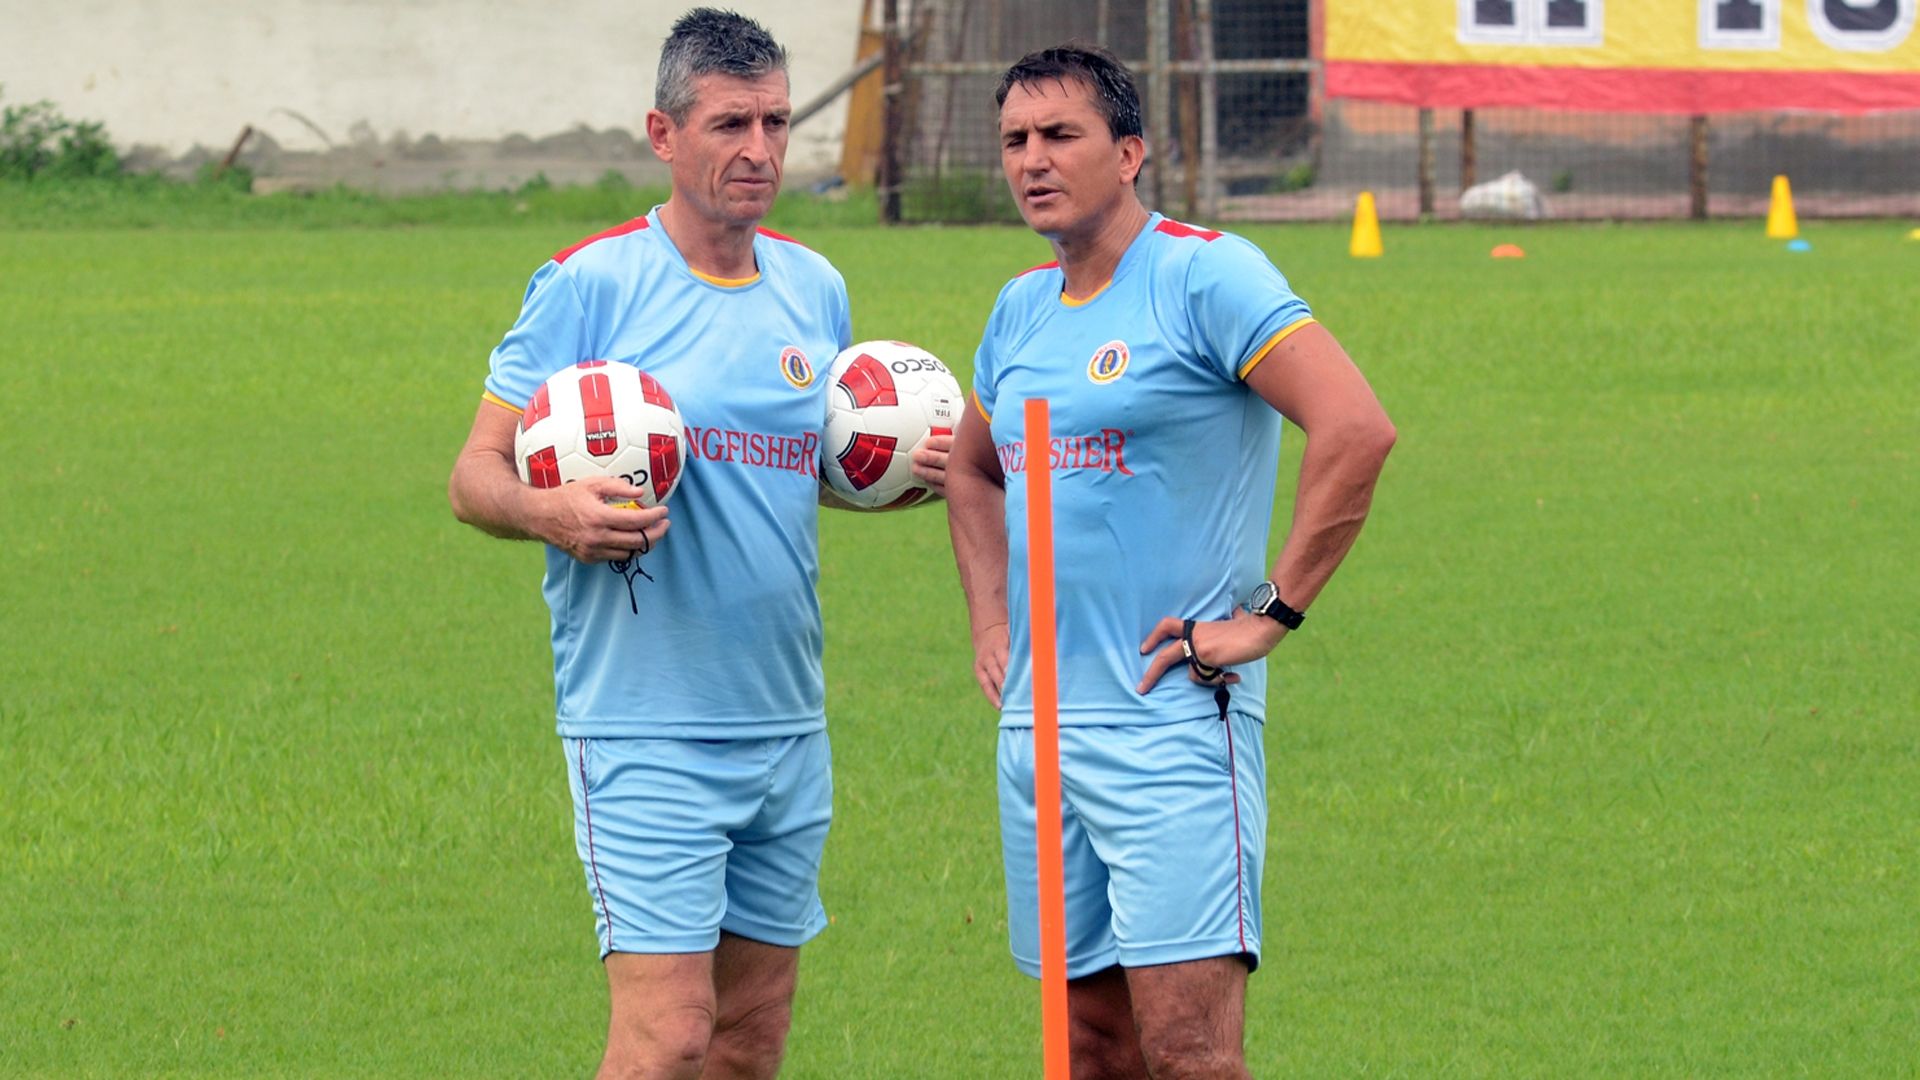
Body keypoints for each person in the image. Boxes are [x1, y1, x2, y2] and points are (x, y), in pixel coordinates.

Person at [447, 10, 945, 1079]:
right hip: (644, 722)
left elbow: (788, 464)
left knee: (749, 1039)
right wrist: (552, 514)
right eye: (729, 123)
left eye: (774, 121)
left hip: (785, 715)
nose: (758, 148)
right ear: (664, 135)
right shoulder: (589, 283)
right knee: (669, 1037)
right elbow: (472, 475)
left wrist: (883, 474)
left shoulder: (815, 288)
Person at [943, 44, 1396, 1080]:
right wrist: (990, 623)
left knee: (1192, 1052)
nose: (1032, 160)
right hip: (1041, 732)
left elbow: (1356, 430)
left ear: (1131, 151)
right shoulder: (1018, 309)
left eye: (1061, 135)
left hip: (1171, 726)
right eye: (1015, 140)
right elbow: (972, 471)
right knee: (1089, 1047)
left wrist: (1270, 616)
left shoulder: (1204, 274)